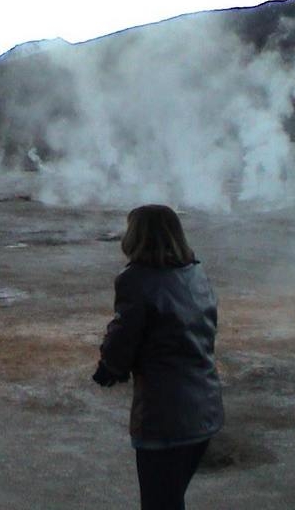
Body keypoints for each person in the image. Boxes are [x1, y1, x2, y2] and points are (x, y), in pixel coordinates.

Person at [93, 204, 223, 510]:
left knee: (158, 502)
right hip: (205, 408)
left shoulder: (136, 280)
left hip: (165, 416)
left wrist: (109, 367)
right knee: (170, 498)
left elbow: (125, 337)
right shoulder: (196, 272)